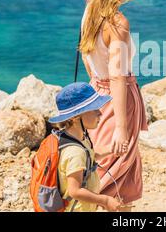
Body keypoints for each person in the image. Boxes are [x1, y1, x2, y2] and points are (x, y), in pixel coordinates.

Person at [78, 0, 148, 211]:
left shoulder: (90, 8)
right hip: (119, 103)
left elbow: (86, 57)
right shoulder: (118, 23)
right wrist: (121, 125)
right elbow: (118, 76)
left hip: (96, 95)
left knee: (98, 167)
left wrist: (98, 84)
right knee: (118, 176)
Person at [48, 82, 123, 212]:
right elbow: (75, 191)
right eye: (94, 110)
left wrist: (111, 150)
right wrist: (105, 200)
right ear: (76, 117)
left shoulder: (79, 138)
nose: (100, 113)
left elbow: (91, 156)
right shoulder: (75, 152)